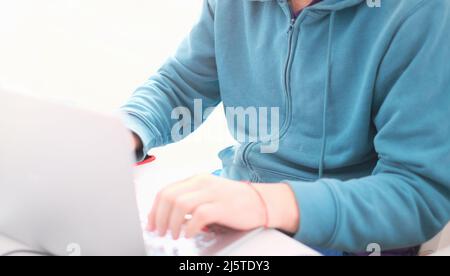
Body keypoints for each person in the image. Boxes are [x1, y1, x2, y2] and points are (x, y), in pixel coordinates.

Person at [121, 0, 450, 256]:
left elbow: (417, 193)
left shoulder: (421, 13)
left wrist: (264, 204)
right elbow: (181, 85)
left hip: (348, 236)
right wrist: (126, 133)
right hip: (242, 199)